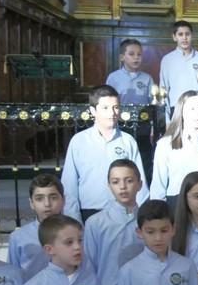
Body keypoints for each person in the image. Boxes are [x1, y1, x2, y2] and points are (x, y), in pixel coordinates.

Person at [61, 85, 149, 221]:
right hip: (90, 211)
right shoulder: (79, 141)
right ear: (93, 110)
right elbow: (69, 185)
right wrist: (73, 219)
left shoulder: (127, 141)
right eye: (105, 108)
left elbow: (139, 181)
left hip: (125, 212)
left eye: (115, 107)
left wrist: (142, 216)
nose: (112, 113)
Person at [150, 90, 198, 210]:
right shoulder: (165, 144)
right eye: (192, 109)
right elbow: (158, 186)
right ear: (181, 111)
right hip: (175, 205)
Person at [159, 20, 198, 121]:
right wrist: (167, 119)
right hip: (176, 109)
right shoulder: (167, 60)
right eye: (180, 34)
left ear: (192, 36)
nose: (184, 38)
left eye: (187, 34)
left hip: (197, 108)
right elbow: (163, 90)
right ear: (174, 37)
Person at [105, 38, 153, 105]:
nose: (136, 57)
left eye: (139, 54)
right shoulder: (113, 77)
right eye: (131, 54)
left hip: (143, 115)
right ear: (122, 57)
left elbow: (152, 102)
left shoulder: (147, 78)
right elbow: (108, 101)